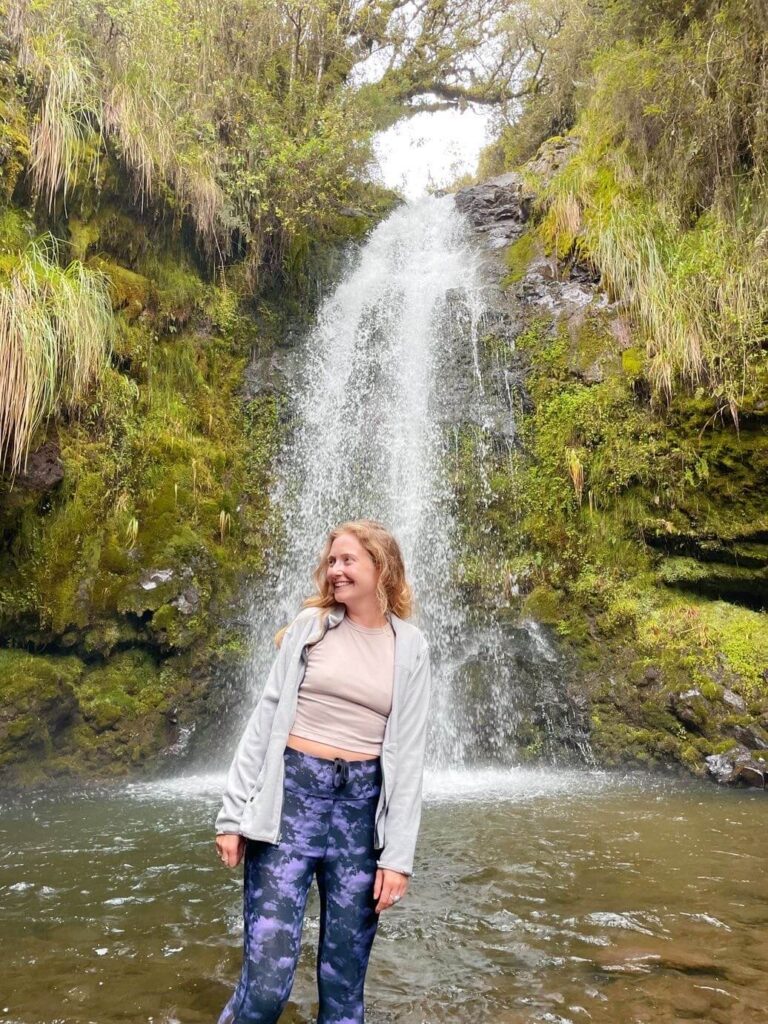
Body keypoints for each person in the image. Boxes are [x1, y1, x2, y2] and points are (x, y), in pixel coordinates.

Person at [214, 519, 432, 1024]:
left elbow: (411, 756)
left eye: (348, 560)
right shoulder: (309, 628)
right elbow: (264, 721)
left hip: (359, 817)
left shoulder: (411, 646)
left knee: (343, 987)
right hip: (289, 803)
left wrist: (397, 857)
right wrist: (232, 816)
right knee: (266, 985)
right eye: (331, 561)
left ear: (382, 568)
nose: (335, 570)